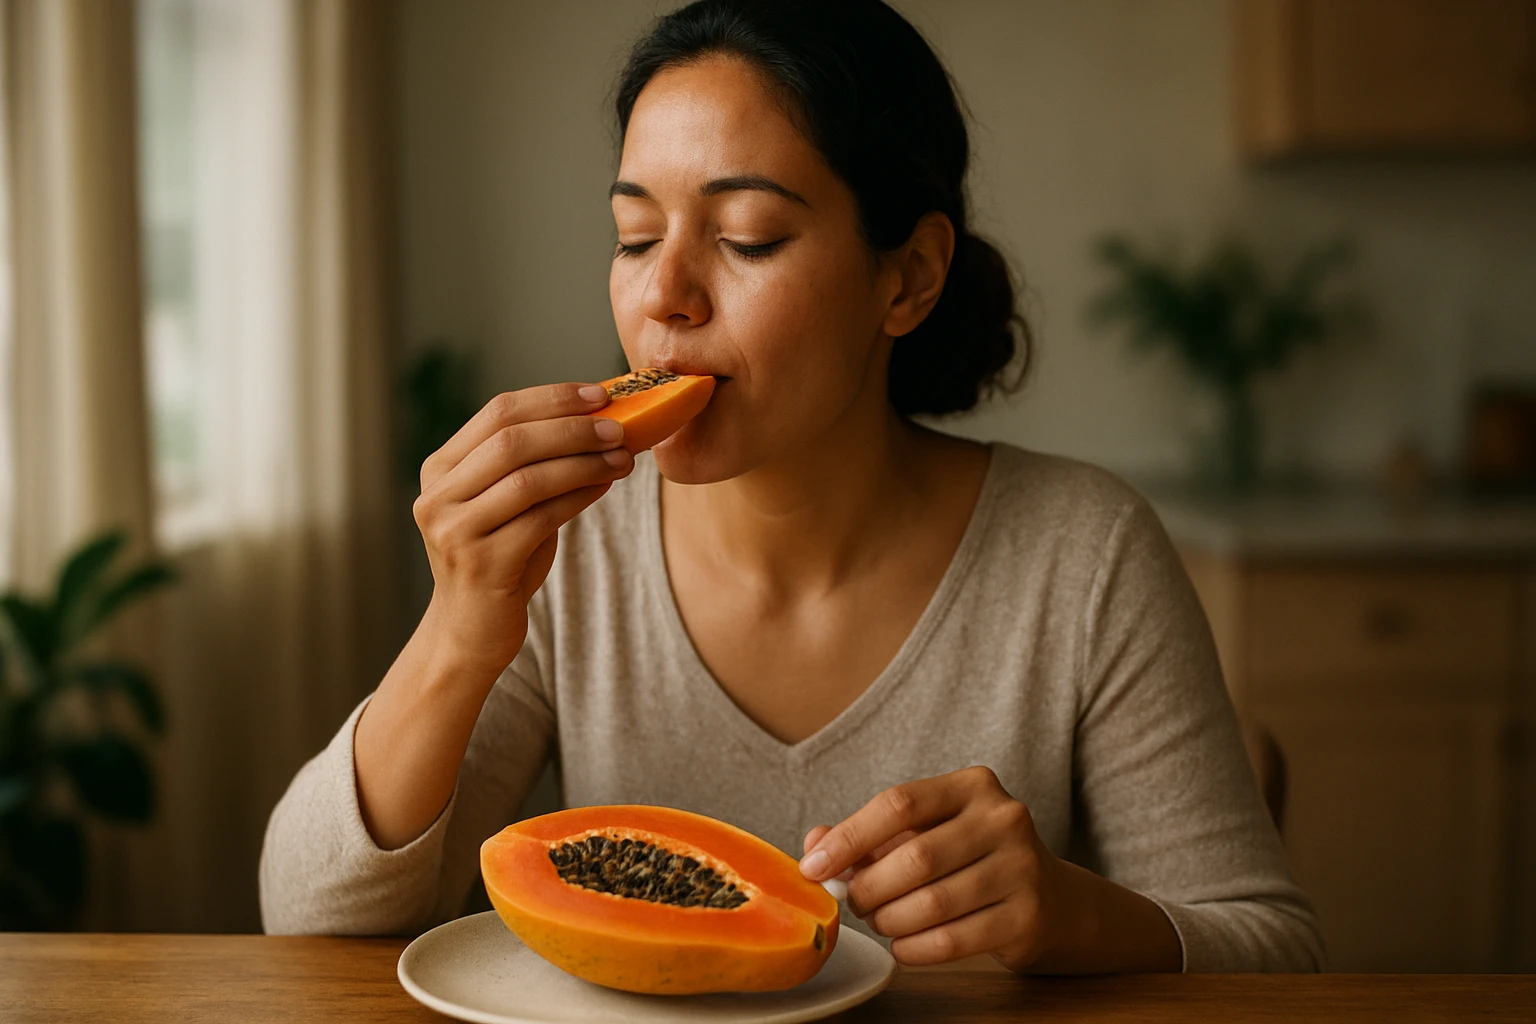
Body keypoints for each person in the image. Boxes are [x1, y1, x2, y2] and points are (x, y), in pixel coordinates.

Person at [259, 0, 1323, 973]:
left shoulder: (1084, 552)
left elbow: (1279, 952)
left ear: (906, 278)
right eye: (635, 236)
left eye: (746, 238)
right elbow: (303, 920)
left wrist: (1073, 912)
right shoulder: (575, 548)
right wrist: (457, 627)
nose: (663, 296)